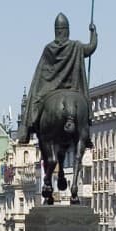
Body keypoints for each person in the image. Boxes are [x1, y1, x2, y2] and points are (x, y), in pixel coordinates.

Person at [17, 12, 97, 145]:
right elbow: (91, 48)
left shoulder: (49, 48)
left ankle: (26, 129)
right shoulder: (76, 46)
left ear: (56, 31)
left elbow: (41, 74)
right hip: (73, 87)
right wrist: (93, 32)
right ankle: (86, 133)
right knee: (82, 103)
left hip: (50, 87)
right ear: (67, 30)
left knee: (34, 95)